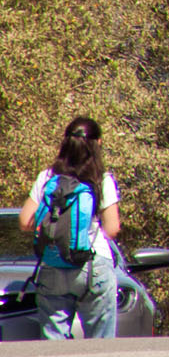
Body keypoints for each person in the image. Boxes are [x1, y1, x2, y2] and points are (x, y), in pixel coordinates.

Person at [19, 117, 121, 339]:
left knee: (55, 343)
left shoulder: (47, 178)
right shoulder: (101, 179)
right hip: (94, 263)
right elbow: (112, 228)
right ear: (98, 144)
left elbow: (26, 221)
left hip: (53, 263)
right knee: (101, 344)